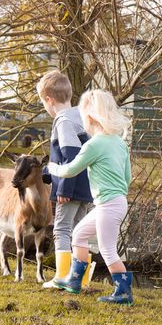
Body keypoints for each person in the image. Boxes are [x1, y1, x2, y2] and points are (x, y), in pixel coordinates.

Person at [47, 89, 133, 305]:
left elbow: (70, 170)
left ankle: (123, 293)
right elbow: (128, 177)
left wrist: (52, 168)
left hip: (108, 204)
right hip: (116, 201)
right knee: (79, 234)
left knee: (108, 250)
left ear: (91, 118)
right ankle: (74, 281)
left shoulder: (94, 145)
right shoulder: (119, 143)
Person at [37, 71, 94, 289]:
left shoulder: (63, 120)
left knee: (61, 230)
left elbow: (71, 155)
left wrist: (63, 189)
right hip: (87, 186)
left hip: (70, 187)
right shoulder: (82, 116)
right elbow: (80, 156)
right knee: (80, 232)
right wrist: (49, 174)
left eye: (43, 102)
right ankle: (81, 279)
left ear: (49, 99)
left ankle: (62, 277)